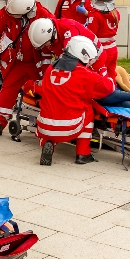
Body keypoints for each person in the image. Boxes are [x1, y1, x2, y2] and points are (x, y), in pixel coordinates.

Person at [38, 36, 113, 166]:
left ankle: (47, 143)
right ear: (83, 55)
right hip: (70, 127)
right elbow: (109, 87)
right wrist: (104, 72)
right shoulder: (85, 74)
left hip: (44, 126)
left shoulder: (50, 69)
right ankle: (83, 154)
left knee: (50, 104)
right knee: (88, 108)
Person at [0, 0, 50, 136]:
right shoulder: (11, 10)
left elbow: (51, 39)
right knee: (8, 88)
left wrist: (47, 68)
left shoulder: (43, 15)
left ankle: (41, 120)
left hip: (35, 62)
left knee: (40, 90)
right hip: (16, 61)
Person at [85, 0, 120, 74]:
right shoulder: (116, 13)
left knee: (99, 77)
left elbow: (90, 35)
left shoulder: (95, 15)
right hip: (113, 49)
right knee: (111, 75)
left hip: (101, 51)